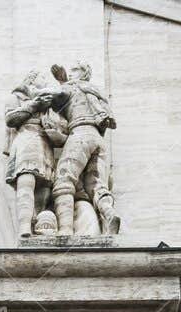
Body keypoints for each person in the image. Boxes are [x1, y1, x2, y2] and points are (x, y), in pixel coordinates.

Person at [49, 62, 120, 238]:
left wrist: (62, 81)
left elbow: (55, 98)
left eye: (75, 70)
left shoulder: (73, 87)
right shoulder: (94, 92)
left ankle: (65, 230)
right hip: (98, 139)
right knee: (96, 185)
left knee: (63, 181)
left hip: (80, 134)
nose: (71, 73)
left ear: (84, 73)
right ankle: (109, 214)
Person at [4, 71, 67, 241]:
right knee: (26, 181)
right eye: (42, 78)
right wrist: (34, 105)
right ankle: (24, 226)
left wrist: (54, 125)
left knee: (45, 189)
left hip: (44, 144)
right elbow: (11, 118)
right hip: (26, 140)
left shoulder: (48, 102)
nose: (45, 81)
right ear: (32, 79)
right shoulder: (17, 96)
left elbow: (62, 125)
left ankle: (36, 224)